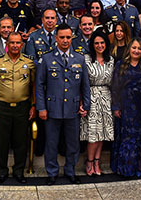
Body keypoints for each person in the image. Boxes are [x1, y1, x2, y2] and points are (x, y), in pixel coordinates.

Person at [35, 24, 90, 185]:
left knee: (73, 143)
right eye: (62, 37)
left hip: (73, 109)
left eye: (68, 37)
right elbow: (39, 85)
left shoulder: (80, 59)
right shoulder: (46, 58)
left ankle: (70, 170)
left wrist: (85, 105)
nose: (65, 40)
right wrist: (41, 107)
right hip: (52, 109)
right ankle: (52, 172)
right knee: (51, 143)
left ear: (72, 38)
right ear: (56, 38)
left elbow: (84, 85)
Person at [0, 31, 35, 184]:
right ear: (7, 45)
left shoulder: (29, 62)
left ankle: (18, 171)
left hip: (22, 107)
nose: (14, 45)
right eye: (11, 42)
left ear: (22, 44)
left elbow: (33, 86)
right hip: (3, 107)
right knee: (2, 142)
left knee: (21, 142)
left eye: (17, 42)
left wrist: (33, 105)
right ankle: (2, 172)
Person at [110, 38, 141, 178]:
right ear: (129, 49)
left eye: (139, 48)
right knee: (127, 137)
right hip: (125, 106)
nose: (136, 51)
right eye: (134, 48)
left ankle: (140, 168)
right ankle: (125, 168)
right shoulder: (121, 65)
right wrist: (116, 107)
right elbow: (115, 86)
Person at [81, 31, 114, 177]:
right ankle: (89, 161)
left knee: (102, 134)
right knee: (93, 134)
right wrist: (83, 101)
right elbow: (82, 82)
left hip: (106, 98)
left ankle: (97, 161)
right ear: (92, 45)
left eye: (102, 43)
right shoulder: (86, 59)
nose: (99, 46)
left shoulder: (111, 60)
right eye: (96, 43)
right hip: (91, 97)